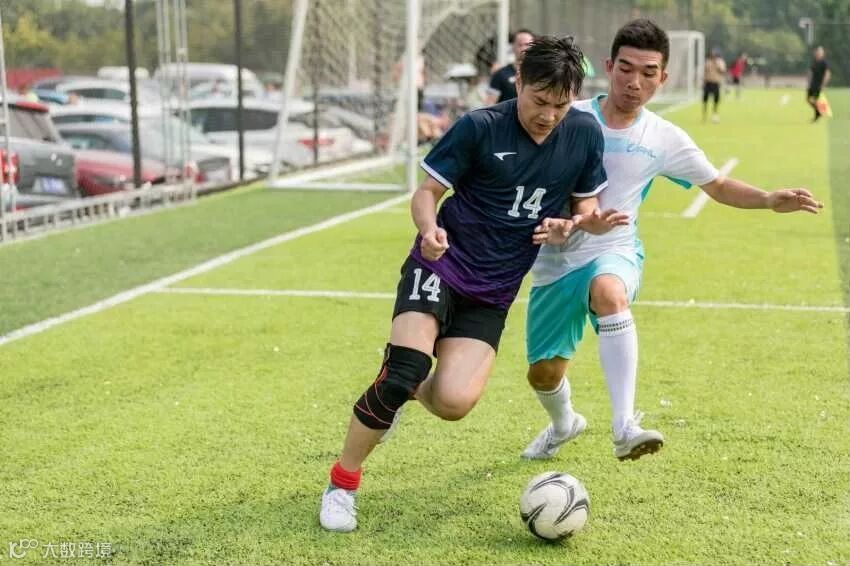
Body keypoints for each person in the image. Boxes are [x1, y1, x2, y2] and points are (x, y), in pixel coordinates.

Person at [319, 35, 626, 533]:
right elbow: (427, 192)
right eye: (539, 100)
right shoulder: (479, 126)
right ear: (518, 82)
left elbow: (583, 207)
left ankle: (399, 390)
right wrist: (428, 230)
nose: (548, 115)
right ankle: (342, 485)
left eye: (561, 104)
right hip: (440, 265)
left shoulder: (584, 134)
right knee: (404, 370)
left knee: (454, 402)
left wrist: (574, 226)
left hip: (493, 291)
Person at [521, 19, 824, 463]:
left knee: (609, 292)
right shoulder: (568, 113)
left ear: (663, 78)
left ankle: (624, 426)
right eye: (626, 68)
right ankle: (565, 423)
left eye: (648, 73)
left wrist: (766, 199)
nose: (635, 82)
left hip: (614, 250)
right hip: (554, 261)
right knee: (543, 374)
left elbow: (717, 184)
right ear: (608, 66)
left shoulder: (663, 137)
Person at [485, 29, 535, 105]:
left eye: (527, 44)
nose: (524, 48)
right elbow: (490, 104)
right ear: (513, 47)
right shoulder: (500, 74)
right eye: (520, 45)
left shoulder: (541, 74)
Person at [806, 46, 831, 123]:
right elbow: (810, 72)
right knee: (808, 99)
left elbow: (827, 74)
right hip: (813, 84)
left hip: (819, 85)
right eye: (817, 52)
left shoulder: (824, 63)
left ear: (822, 54)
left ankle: (819, 113)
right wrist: (809, 83)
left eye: (820, 52)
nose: (818, 54)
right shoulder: (814, 62)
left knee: (815, 100)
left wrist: (823, 85)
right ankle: (819, 112)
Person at [703, 49, 726, 122]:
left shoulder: (720, 62)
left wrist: (717, 65)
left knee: (716, 99)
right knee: (705, 99)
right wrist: (704, 81)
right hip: (708, 82)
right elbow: (705, 72)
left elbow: (723, 71)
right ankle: (704, 114)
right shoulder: (707, 62)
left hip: (715, 83)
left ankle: (715, 113)